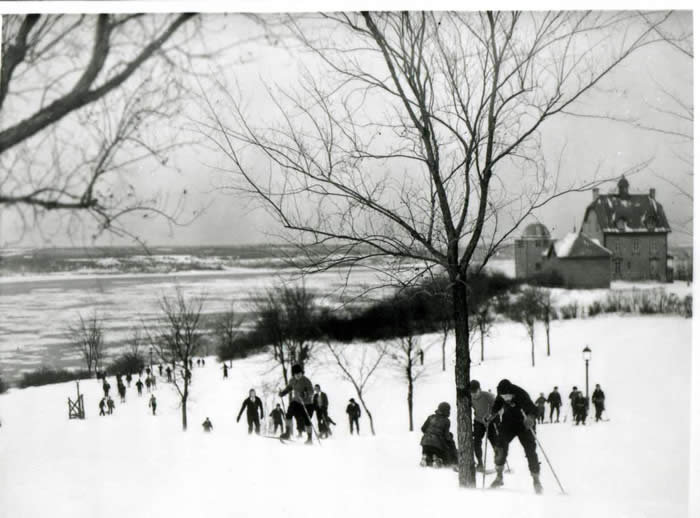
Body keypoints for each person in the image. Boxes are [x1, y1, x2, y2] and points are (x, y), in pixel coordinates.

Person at [488, 379, 542, 494]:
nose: (506, 399)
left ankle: (536, 480)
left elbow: (534, 409)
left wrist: (531, 418)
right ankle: (499, 477)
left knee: (530, 450)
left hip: (524, 423)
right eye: (503, 396)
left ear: (512, 392)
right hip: (509, 423)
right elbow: (497, 405)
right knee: (500, 446)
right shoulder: (501, 395)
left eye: (508, 396)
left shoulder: (521, 394)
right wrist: (491, 415)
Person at [278, 364, 315, 444]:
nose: (298, 375)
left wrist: (305, 394)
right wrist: (283, 393)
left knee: (307, 421)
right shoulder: (292, 380)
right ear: (293, 374)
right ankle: (287, 433)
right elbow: (289, 388)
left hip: (307, 404)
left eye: (299, 374)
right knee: (288, 414)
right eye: (296, 374)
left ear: (302, 373)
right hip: (297, 402)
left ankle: (309, 439)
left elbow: (311, 391)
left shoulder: (306, 381)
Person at [470, 380, 498, 472]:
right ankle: (480, 464)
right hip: (479, 421)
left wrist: (490, 417)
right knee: (476, 442)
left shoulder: (488, 396)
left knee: (494, 442)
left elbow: (497, 408)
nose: (474, 395)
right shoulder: (470, 397)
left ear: (479, 389)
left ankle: (499, 464)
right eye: (472, 392)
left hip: (491, 421)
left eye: (475, 392)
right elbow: (474, 408)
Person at [419, 402, 457, 468]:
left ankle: (426, 457)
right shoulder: (446, 421)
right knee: (444, 450)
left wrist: (429, 433)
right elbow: (446, 436)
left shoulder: (431, 417)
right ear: (446, 411)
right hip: (437, 445)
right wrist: (450, 437)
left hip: (425, 443)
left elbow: (423, 429)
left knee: (428, 451)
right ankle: (437, 458)